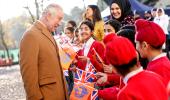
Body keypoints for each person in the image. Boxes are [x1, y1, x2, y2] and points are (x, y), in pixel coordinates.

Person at [20, 4, 68, 100]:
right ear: (48, 15)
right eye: (59, 19)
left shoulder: (47, 33)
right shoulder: (31, 35)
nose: (60, 23)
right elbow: (28, 74)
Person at [135, 19, 170, 90]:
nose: (136, 48)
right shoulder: (160, 63)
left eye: (137, 43)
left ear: (144, 45)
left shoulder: (159, 67)